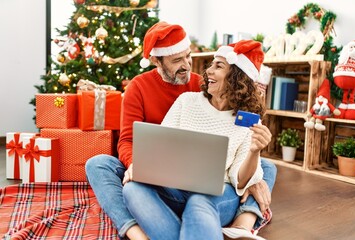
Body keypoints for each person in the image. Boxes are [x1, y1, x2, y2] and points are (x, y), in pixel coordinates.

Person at [85, 21, 276, 240]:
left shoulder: (202, 84)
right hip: (163, 171)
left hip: (212, 185)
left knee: (264, 167)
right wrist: (137, 167)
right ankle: (138, 231)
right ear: (157, 61)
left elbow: (230, 108)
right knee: (103, 167)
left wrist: (253, 165)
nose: (189, 66)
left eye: (188, 57)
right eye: (177, 60)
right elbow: (128, 141)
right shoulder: (144, 88)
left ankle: (244, 221)